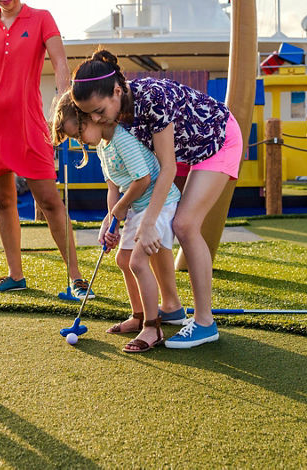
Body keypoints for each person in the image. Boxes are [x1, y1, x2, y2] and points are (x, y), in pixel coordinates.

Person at [71, 48, 241, 348]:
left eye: (98, 110)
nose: (97, 119)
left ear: (116, 90)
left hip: (217, 141)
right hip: (185, 151)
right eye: (90, 115)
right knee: (162, 226)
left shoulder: (151, 98)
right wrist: (116, 218)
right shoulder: (118, 115)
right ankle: (172, 306)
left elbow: (167, 168)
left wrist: (147, 223)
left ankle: (205, 321)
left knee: (184, 225)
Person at [0, 0, 87, 298]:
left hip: (29, 123)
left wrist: (65, 103)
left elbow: (60, 63)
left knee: (49, 201)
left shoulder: (42, 18)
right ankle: (15, 274)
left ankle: (76, 277)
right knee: (3, 202)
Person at [52, 94, 187, 353]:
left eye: (79, 132)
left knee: (137, 261)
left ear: (91, 116)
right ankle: (138, 316)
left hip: (160, 202)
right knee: (123, 260)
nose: (80, 140)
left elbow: (143, 180)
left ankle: (153, 326)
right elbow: (113, 188)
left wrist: (120, 209)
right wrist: (109, 221)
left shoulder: (122, 140)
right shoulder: (103, 146)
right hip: (138, 205)